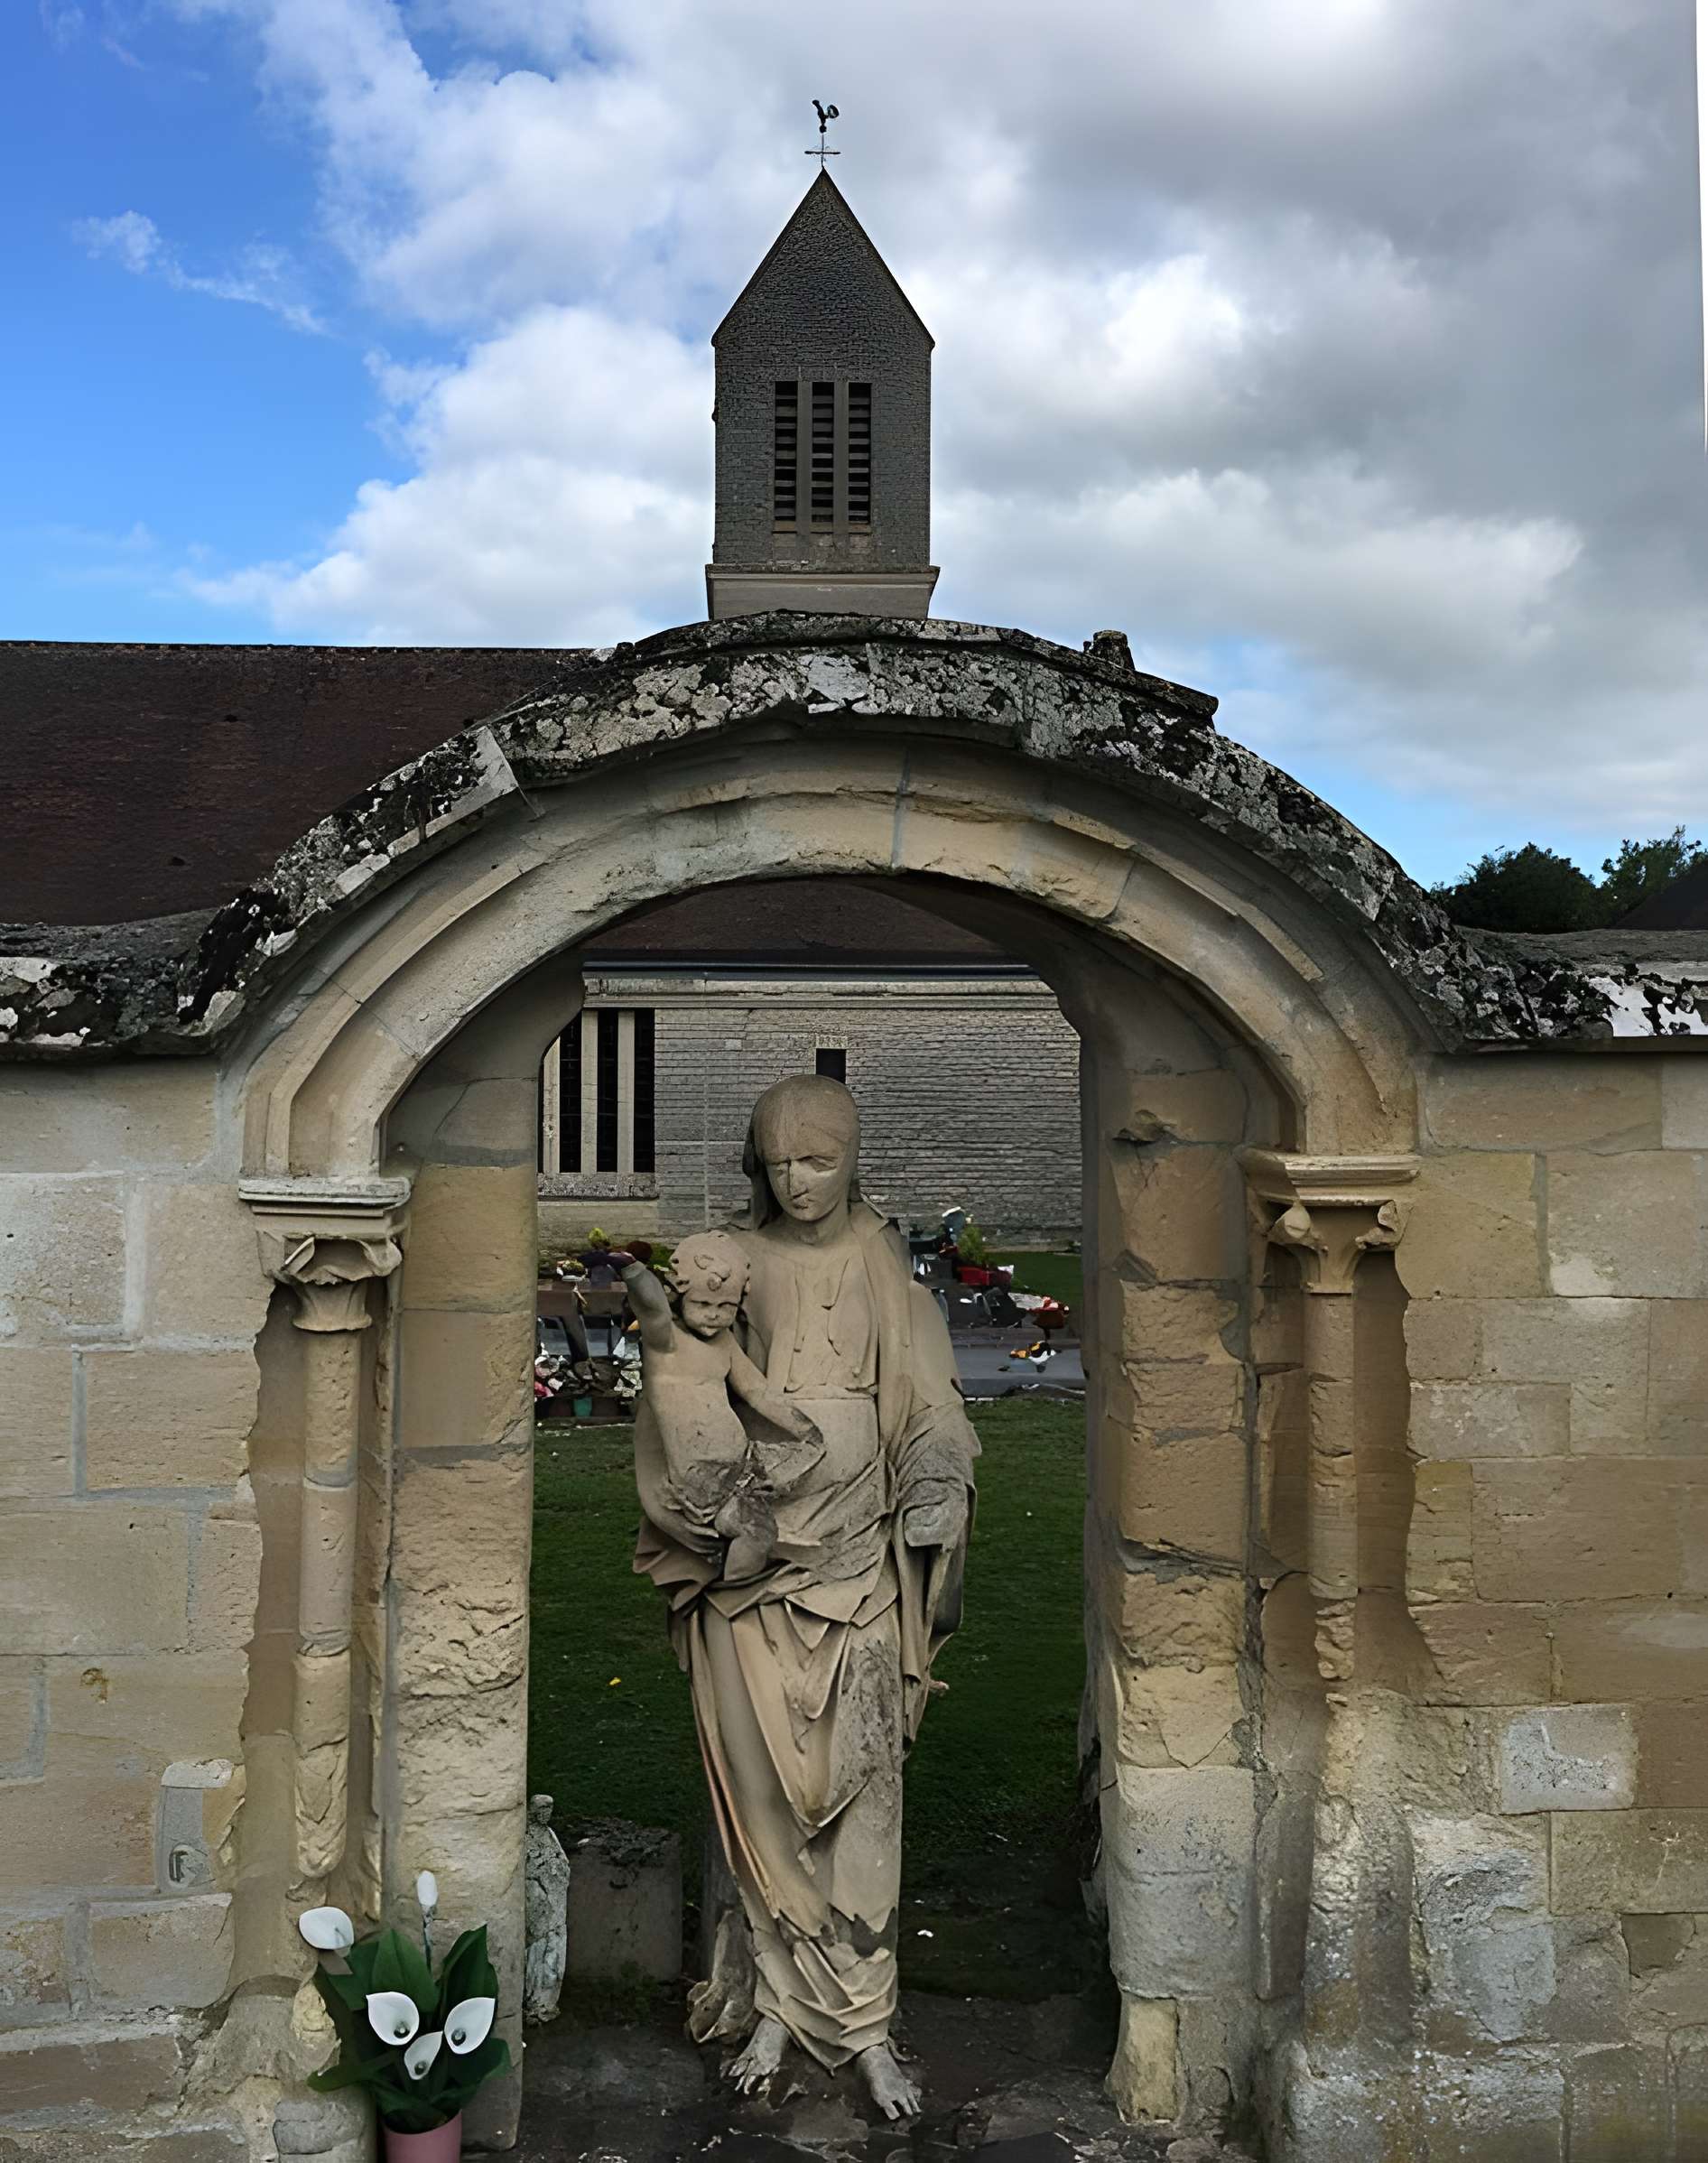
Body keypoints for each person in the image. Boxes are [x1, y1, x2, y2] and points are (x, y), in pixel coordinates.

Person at [633, 1076, 979, 2121]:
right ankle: (778, 2003)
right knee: (763, 1802)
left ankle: (865, 2023)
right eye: (780, 1163)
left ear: (851, 1158)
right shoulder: (732, 1266)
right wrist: (704, 1496)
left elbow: (932, 1402)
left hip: (857, 1568)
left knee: (865, 1798)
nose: (798, 1181)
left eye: (818, 1161)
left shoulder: (884, 1264)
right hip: (751, 1575)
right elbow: (682, 1388)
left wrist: (933, 1479)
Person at [621, 1233, 822, 1583]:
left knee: (764, 1529)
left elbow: (758, 1393)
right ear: (679, 1296)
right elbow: (651, 1307)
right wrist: (632, 1270)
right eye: (702, 1304)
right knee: (754, 1532)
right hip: (703, 1475)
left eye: (724, 1307)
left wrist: (805, 1429)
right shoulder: (666, 1343)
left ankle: (732, 1587)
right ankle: (728, 1596)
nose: (713, 1316)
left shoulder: (724, 1344)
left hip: (740, 1467)